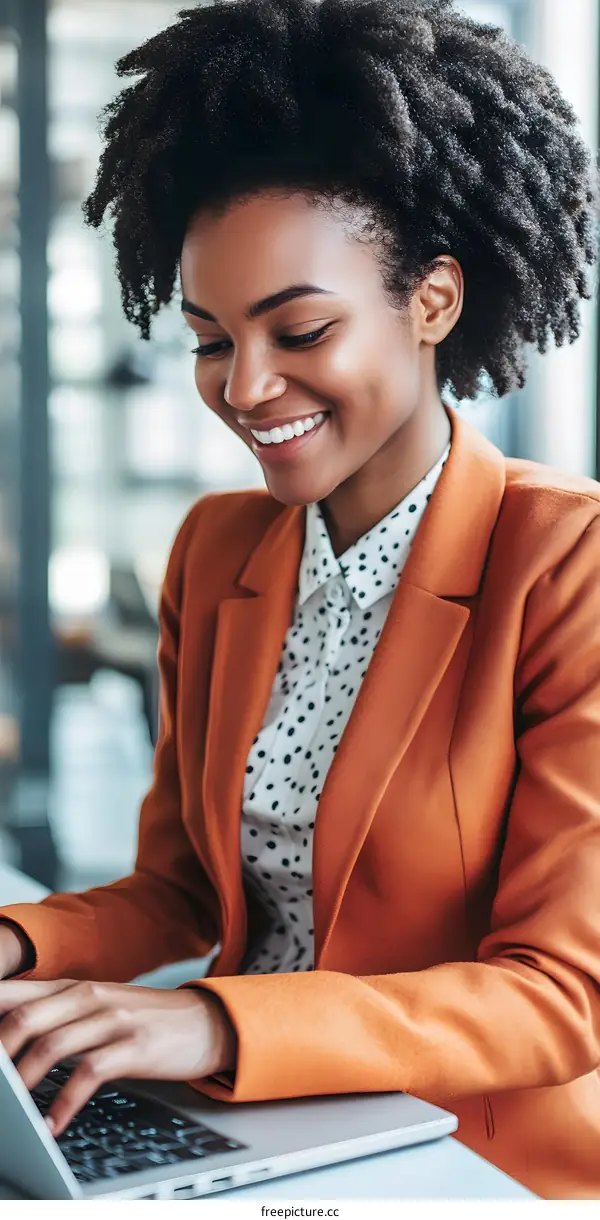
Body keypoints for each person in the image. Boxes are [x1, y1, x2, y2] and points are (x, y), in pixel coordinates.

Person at [1, 0, 599, 1199]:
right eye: (211, 339)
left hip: (464, 1154)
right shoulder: (219, 545)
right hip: (245, 1118)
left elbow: (560, 993)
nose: (247, 386)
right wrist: (23, 943)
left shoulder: (565, 561)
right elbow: (176, 888)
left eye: (301, 328)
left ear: (431, 301)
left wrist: (216, 1025)